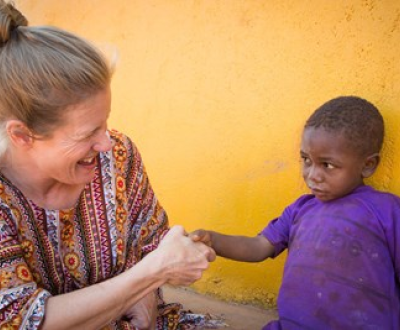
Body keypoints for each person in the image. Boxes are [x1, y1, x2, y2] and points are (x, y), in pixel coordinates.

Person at [0, 1, 217, 329]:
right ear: (22, 135)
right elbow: (24, 321)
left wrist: (152, 284)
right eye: (88, 133)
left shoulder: (118, 156)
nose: (106, 143)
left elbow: (150, 240)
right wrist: (151, 274)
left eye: (106, 123)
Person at [191, 96, 400, 329]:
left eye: (327, 165)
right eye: (306, 160)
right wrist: (214, 240)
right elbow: (260, 246)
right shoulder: (301, 209)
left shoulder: (386, 211)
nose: (312, 175)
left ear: (368, 165)